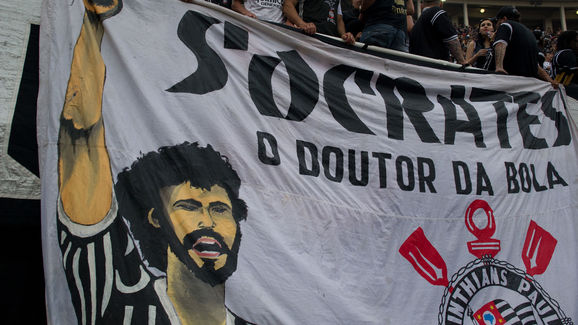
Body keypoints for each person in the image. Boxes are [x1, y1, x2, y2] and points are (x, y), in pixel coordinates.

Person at [57, 1, 251, 324]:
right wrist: (94, 23)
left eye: (219, 209)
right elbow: (80, 137)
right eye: (188, 206)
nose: (207, 222)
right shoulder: (114, 297)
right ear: (155, 218)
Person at [493, 6, 557, 87]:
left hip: (511, 80)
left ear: (503, 18)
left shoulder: (505, 25)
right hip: (528, 83)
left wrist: (499, 67)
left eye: (497, 21)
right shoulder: (529, 32)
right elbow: (535, 64)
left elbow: (501, 44)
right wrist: (550, 80)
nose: (496, 25)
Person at [408, 0, 465, 64]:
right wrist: (462, 61)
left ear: (421, 6)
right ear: (441, 4)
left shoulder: (416, 25)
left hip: (419, 66)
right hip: (435, 66)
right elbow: (452, 40)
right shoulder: (437, 12)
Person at [282, 0, 356, 44]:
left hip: (330, 44)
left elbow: (339, 19)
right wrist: (302, 24)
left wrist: (344, 35)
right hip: (308, 39)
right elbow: (287, 5)